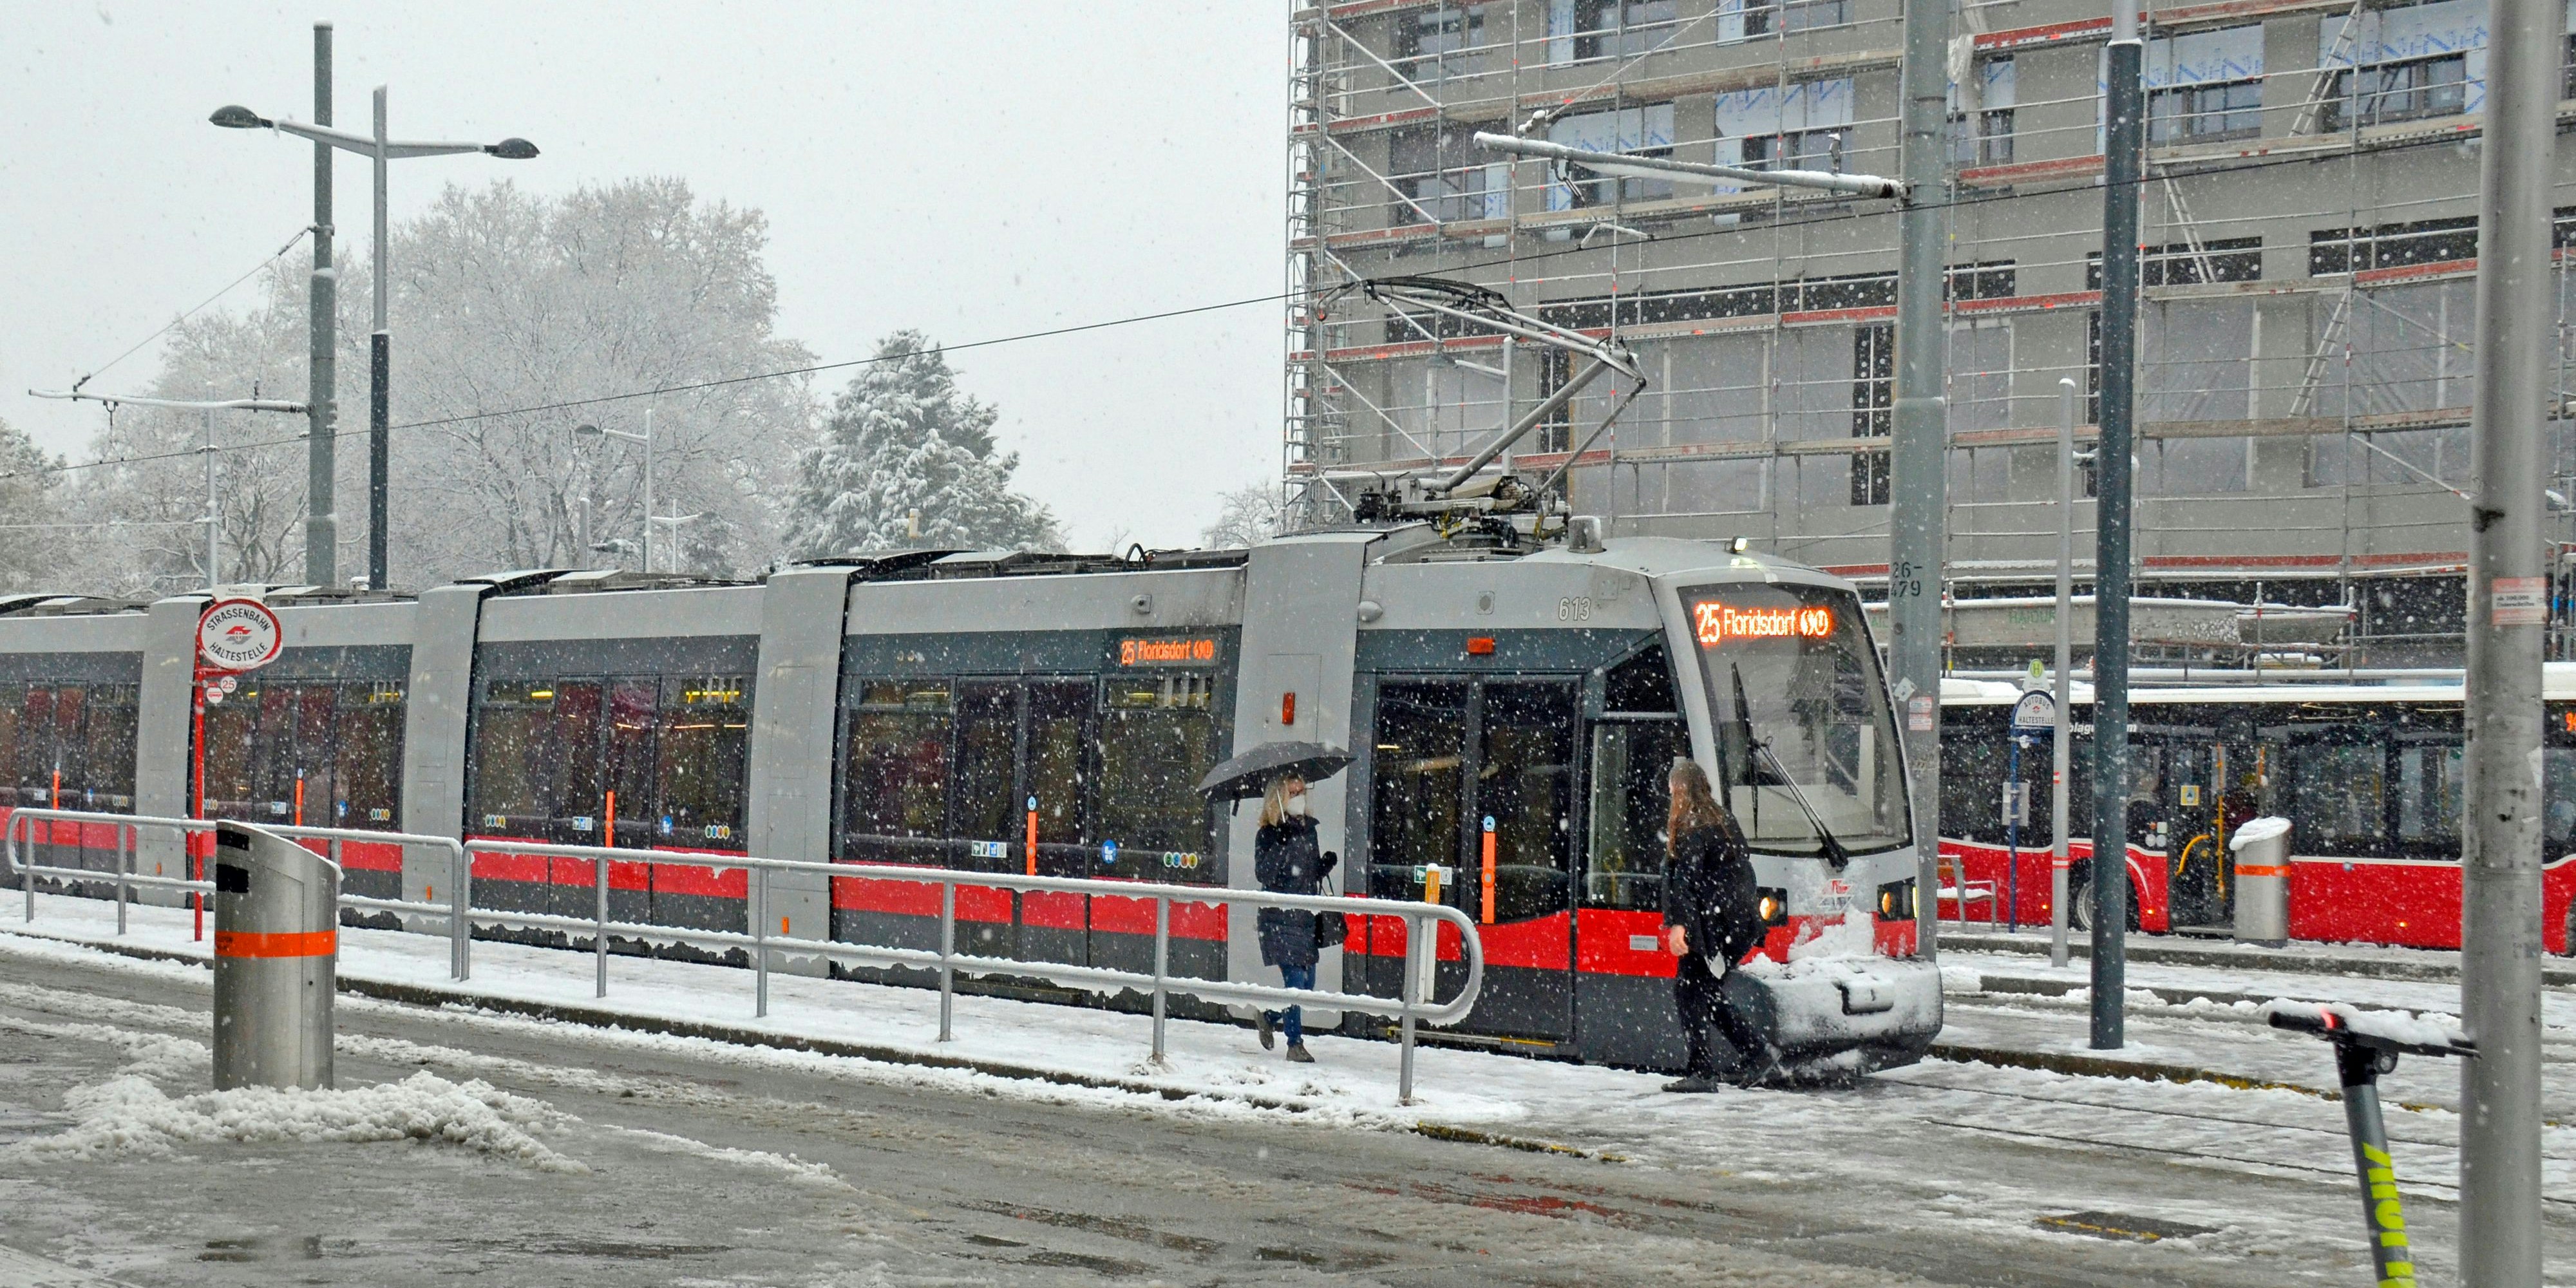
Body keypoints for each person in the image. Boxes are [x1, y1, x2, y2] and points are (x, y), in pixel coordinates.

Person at [1661, 758, 1774, 1092]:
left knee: (1690, 990)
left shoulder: (1693, 824)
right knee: (1702, 991)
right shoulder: (1721, 818)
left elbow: (1686, 880)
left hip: (1717, 923)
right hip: (1735, 924)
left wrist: (1680, 926)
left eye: (1672, 789)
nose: (1670, 795)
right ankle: (1755, 1055)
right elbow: (1736, 873)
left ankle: (1705, 1072)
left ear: (1679, 789)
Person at [1254, 773, 1336, 1063]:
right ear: (1279, 797)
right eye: (1293, 792)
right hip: (1278, 916)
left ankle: (1270, 1016)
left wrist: (1323, 866)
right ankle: (1295, 1044)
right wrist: (1280, 844)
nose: (1299, 796)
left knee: (1307, 985)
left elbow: (1308, 874)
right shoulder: (1268, 833)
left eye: (1302, 790)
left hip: (1304, 916)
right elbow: (1264, 874)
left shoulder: (1308, 830)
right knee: (1295, 983)